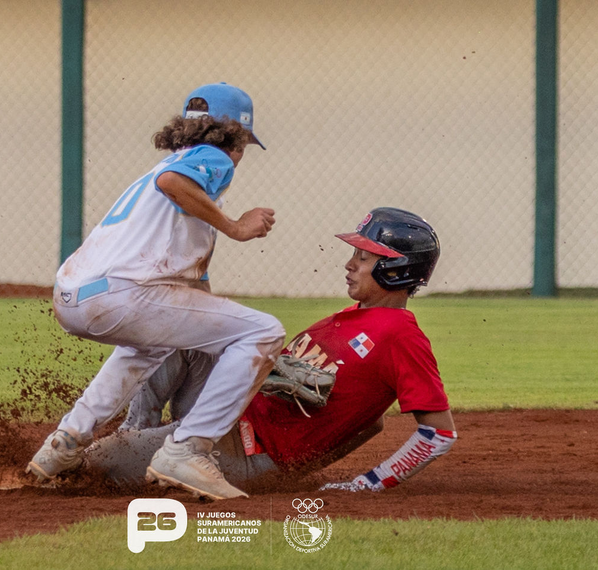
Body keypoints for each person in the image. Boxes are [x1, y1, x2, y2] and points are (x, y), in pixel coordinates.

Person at [25, 83, 286, 501]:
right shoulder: (210, 159)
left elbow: (193, 292)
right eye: (243, 144)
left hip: (75, 296)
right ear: (232, 134)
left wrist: (222, 339)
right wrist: (236, 227)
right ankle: (187, 450)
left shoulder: (169, 176)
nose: (240, 155)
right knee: (265, 332)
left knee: (149, 346)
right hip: (122, 296)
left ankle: (63, 445)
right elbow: (173, 182)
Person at [82, 207, 457, 498]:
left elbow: (438, 433)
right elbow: (368, 421)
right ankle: (138, 431)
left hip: (238, 451)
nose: (350, 264)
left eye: (364, 257)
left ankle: (135, 449)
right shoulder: (353, 318)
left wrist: (368, 483)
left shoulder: (399, 335)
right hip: (226, 417)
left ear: (396, 269)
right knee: (181, 326)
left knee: (95, 464)